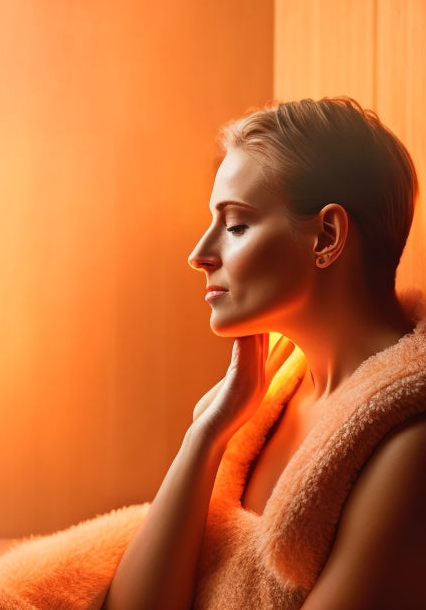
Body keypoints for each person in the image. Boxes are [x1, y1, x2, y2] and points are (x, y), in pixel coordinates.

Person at [103, 96, 426, 610]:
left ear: (327, 235)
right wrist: (206, 433)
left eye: (234, 225)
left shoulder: (406, 450)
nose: (199, 254)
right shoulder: (278, 388)